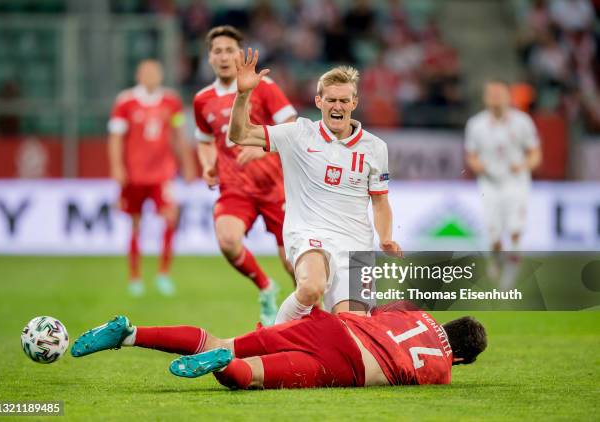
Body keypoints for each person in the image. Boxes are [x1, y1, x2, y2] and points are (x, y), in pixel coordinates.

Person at [227, 49, 403, 322]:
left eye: (344, 100)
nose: (337, 106)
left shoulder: (375, 147)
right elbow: (239, 134)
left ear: (354, 102)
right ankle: (272, 341)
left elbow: (380, 202)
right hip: (309, 234)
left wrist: (386, 237)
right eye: (331, 99)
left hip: (356, 247)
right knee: (311, 288)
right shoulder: (298, 133)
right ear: (319, 101)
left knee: (353, 329)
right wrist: (242, 95)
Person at [70, 307, 487, 389]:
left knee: (222, 340)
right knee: (247, 376)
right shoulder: (445, 369)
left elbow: (373, 309)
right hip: (345, 365)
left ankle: (129, 333)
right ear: (463, 358)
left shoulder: (410, 312)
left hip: (326, 326)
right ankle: (222, 367)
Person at [193, 26, 297, 326]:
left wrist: (265, 147)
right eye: (217, 51)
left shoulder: (263, 86)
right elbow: (204, 139)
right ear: (209, 57)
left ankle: (309, 319)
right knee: (227, 239)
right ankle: (266, 287)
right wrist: (208, 164)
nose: (223, 56)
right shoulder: (202, 99)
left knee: (293, 264)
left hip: (276, 187)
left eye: (229, 50)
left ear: (240, 54)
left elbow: (292, 125)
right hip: (235, 188)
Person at [108, 59, 193, 297]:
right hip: (134, 174)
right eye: (146, 72)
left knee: (170, 218)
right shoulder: (125, 102)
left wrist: (187, 164)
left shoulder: (171, 102)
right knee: (135, 224)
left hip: (162, 174)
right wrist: (117, 168)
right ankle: (135, 277)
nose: (150, 76)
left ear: (161, 75)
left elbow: (178, 134)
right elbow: (115, 138)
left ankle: (163, 274)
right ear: (138, 75)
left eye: (154, 72)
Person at [464, 80, 542, 275]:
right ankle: (496, 262)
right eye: (491, 94)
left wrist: (524, 166)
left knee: (515, 230)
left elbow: (535, 153)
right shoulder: (476, 124)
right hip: (489, 182)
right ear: (485, 98)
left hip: (516, 181)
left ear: (508, 96)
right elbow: (471, 156)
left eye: (499, 94)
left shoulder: (522, 122)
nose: (495, 98)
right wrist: (477, 165)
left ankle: (510, 277)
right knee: (494, 234)